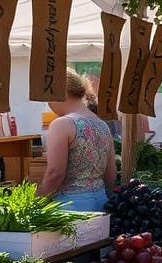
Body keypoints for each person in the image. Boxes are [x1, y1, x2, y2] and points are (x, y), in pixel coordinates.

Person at [37, 69, 117, 211]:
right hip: (101, 201)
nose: (48, 103)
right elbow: (111, 172)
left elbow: (55, 173)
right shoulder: (101, 124)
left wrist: (35, 198)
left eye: (47, 97)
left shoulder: (62, 124)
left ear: (58, 92)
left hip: (71, 207)